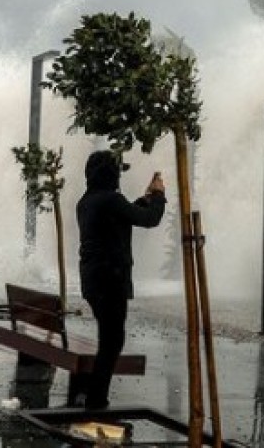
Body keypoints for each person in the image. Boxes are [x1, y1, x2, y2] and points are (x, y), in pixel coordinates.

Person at [76, 150, 165, 409]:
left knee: (110, 338)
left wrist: (144, 199)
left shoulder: (87, 200)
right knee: (113, 340)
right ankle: (96, 400)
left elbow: (124, 214)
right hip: (110, 280)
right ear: (111, 173)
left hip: (93, 281)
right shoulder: (111, 200)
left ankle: (96, 396)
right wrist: (158, 196)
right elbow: (149, 219)